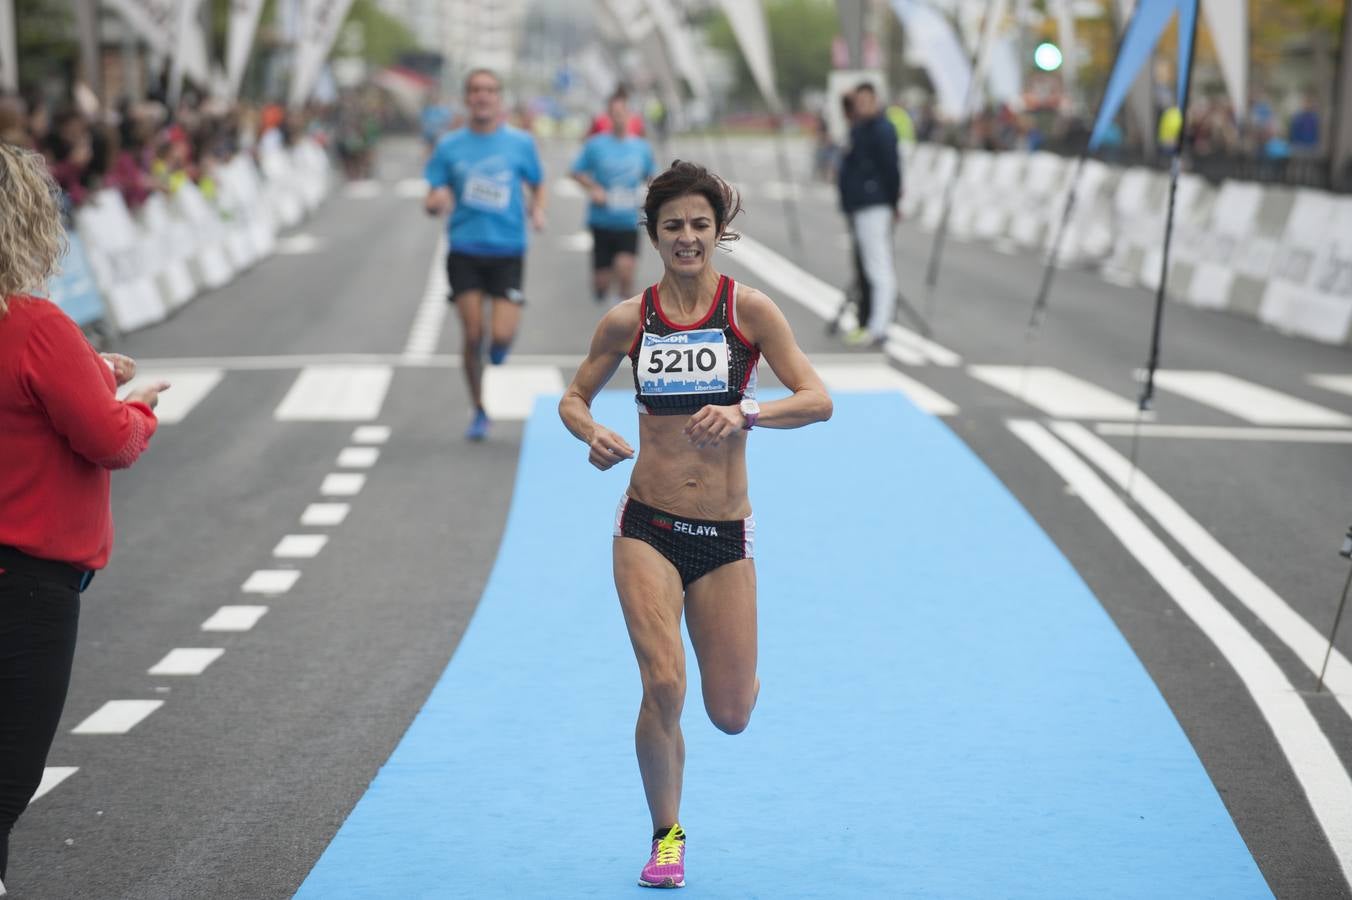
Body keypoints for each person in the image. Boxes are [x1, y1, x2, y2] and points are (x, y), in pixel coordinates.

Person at [558, 161, 832, 889]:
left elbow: (817, 398)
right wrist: (590, 432)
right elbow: (573, 398)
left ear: (718, 232)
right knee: (663, 687)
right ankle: (666, 836)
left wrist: (749, 411)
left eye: (699, 225)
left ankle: (734, 669)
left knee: (730, 712)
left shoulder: (750, 312)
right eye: (673, 225)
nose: (687, 237)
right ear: (653, 235)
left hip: (723, 535)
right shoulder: (630, 320)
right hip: (645, 525)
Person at [0, 143, 169, 894]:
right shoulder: (37, 325)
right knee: (7, 776)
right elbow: (107, 439)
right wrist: (136, 407)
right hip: (27, 576)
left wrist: (92, 372)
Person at [424, 68, 547, 441]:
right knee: (473, 333)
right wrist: (436, 201)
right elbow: (432, 193)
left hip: (508, 249)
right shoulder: (449, 146)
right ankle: (478, 408)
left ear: (499, 98)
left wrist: (537, 209)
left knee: (500, 338)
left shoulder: (520, 143)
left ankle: (498, 350)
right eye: (476, 90)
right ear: (467, 97)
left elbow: (537, 184)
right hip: (464, 249)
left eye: (490, 90)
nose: (483, 96)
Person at [570, 90, 656, 305]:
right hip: (602, 221)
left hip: (629, 220)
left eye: (623, 112)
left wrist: (648, 193)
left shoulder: (641, 147)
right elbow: (576, 172)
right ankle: (604, 288)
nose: (619, 117)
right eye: (614, 113)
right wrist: (594, 188)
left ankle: (623, 317)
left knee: (626, 270)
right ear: (608, 115)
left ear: (630, 115)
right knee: (601, 283)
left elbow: (651, 177)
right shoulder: (595, 145)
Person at [837, 82, 901, 348]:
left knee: (878, 267)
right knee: (868, 268)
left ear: (876, 101)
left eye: (866, 101)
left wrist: (893, 202)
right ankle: (872, 323)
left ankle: (879, 326)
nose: (861, 107)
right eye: (858, 102)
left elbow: (892, 169)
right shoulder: (859, 128)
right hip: (860, 206)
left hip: (875, 205)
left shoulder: (882, 130)